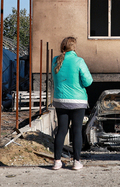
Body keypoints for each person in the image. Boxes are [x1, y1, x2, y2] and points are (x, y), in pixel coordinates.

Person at [51, 37, 93, 171]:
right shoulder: (79, 61)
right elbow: (88, 81)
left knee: (61, 130)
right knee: (76, 131)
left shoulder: (55, 60)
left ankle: (57, 162)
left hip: (60, 100)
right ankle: (76, 162)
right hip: (77, 101)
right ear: (74, 47)